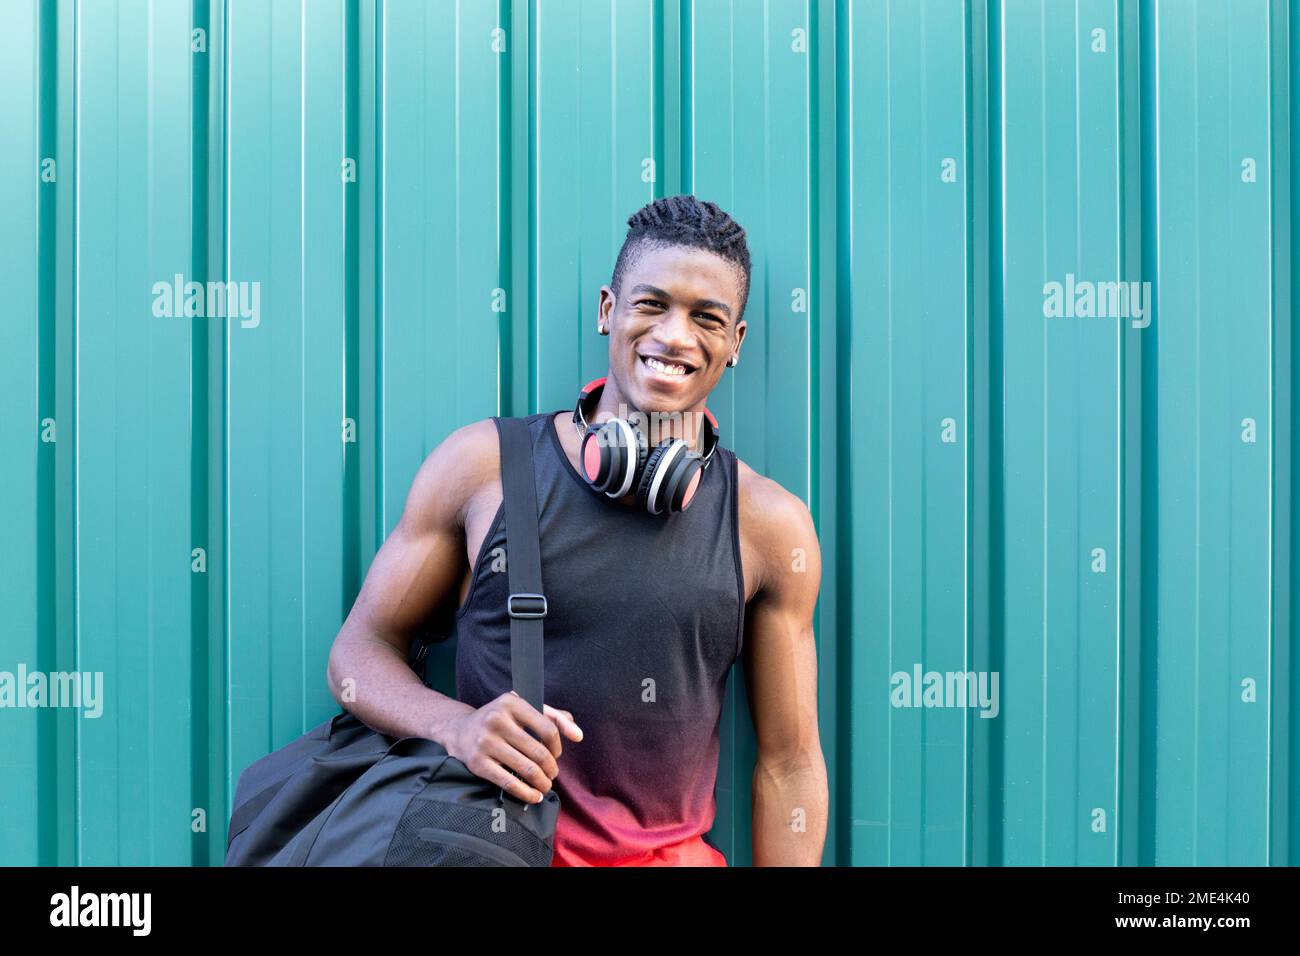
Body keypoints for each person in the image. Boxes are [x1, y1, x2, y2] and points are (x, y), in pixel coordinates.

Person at [325, 195, 828, 866]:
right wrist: (457, 726)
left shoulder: (769, 525)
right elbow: (356, 656)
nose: (675, 336)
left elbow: (789, 764)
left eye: (706, 317)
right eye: (652, 304)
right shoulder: (483, 469)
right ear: (607, 311)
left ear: (734, 343)